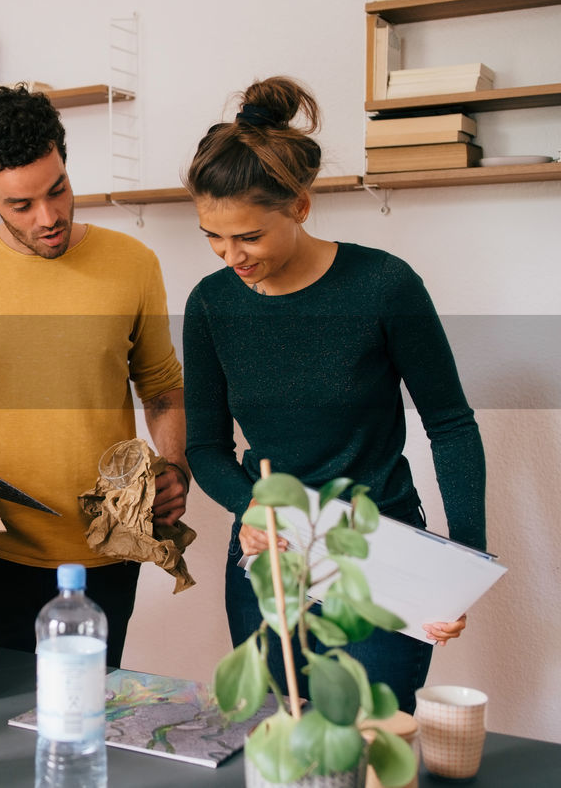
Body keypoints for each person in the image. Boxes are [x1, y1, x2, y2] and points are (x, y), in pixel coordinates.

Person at [181, 76, 486, 713]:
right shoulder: (210, 304)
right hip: (271, 559)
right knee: (277, 745)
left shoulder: (383, 286)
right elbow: (206, 447)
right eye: (212, 234)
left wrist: (465, 565)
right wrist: (249, 505)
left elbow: (451, 424)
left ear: (298, 205)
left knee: (369, 746)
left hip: (381, 555)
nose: (229, 255)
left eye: (248, 237)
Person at [0, 85, 188, 668]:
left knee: (88, 715)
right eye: (21, 205)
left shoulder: (133, 264)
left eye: (57, 191)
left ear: (64, 159)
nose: (49, 217)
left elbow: (159, 386)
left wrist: (176, 465)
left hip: (105, 545)